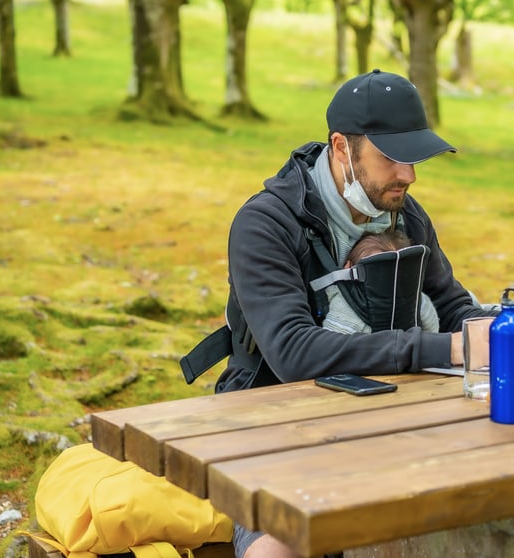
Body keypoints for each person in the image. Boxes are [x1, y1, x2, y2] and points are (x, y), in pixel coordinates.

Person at [213, 69, 498, 558]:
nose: (408, 175)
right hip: (272, 424)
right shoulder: (266, 224)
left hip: (392, 412)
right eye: (392, 158)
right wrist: (448, 347)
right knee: (280, 548)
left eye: (415, 158)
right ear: (342, 148)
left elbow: (449, 305)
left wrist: (500, 330)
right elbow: (294, 355)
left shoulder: (407, 213)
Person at [321, 230, 440, 334]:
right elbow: (432, 329)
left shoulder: (345, 306)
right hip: (408, 354)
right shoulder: (418, 300)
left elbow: (331, 347)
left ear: (348, 267)